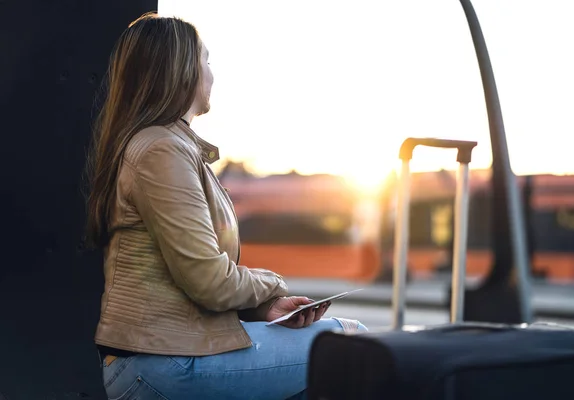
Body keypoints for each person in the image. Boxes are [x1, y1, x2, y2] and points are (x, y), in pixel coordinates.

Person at [85, 12, 367, 400]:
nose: (212, 74)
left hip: (166, 353)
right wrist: (273, 286)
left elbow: (188, 283)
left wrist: (265, 309)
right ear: (183, 70)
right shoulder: (161, 150)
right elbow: (208, 280)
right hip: (159, 363)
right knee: (355, 349)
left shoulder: (166, 146)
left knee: (324, 367)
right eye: (206, 61)